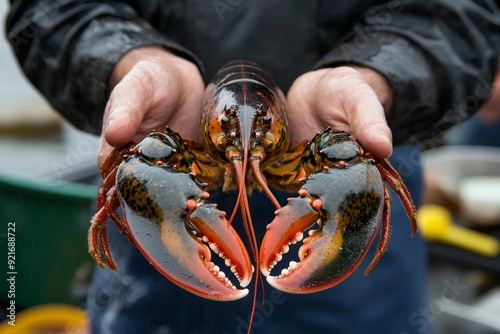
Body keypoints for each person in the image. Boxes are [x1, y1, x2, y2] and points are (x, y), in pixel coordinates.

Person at [6, 1, 499, 333]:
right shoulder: (174, 147)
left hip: (354, 266)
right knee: (135, 167)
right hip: (154, 244)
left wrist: (378, 76)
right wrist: (128, 60)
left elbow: (461, 14)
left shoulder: (321, 148)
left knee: (367, 163)